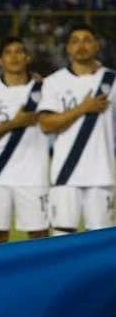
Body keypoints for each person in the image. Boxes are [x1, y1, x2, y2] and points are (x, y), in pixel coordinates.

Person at [37, 23, 116, 234]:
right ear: (68, 48)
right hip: (66, 174)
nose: (81, 46)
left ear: (97, 46)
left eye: (87, 40)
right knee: (62, 241)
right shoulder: (54, 82)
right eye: (75, 41)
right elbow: (46, 125)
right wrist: (83, 108)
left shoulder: (112, 80)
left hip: (102, 174)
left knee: (100, 243)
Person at [0, 37, 48, 244]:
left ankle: (40, 278)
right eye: (8, 52)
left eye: (19, 52)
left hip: (34, 176)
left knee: (39, 237)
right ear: (0, 60)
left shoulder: (45, 89)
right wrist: (16, 122)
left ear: (28, 57)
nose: (14, 57)